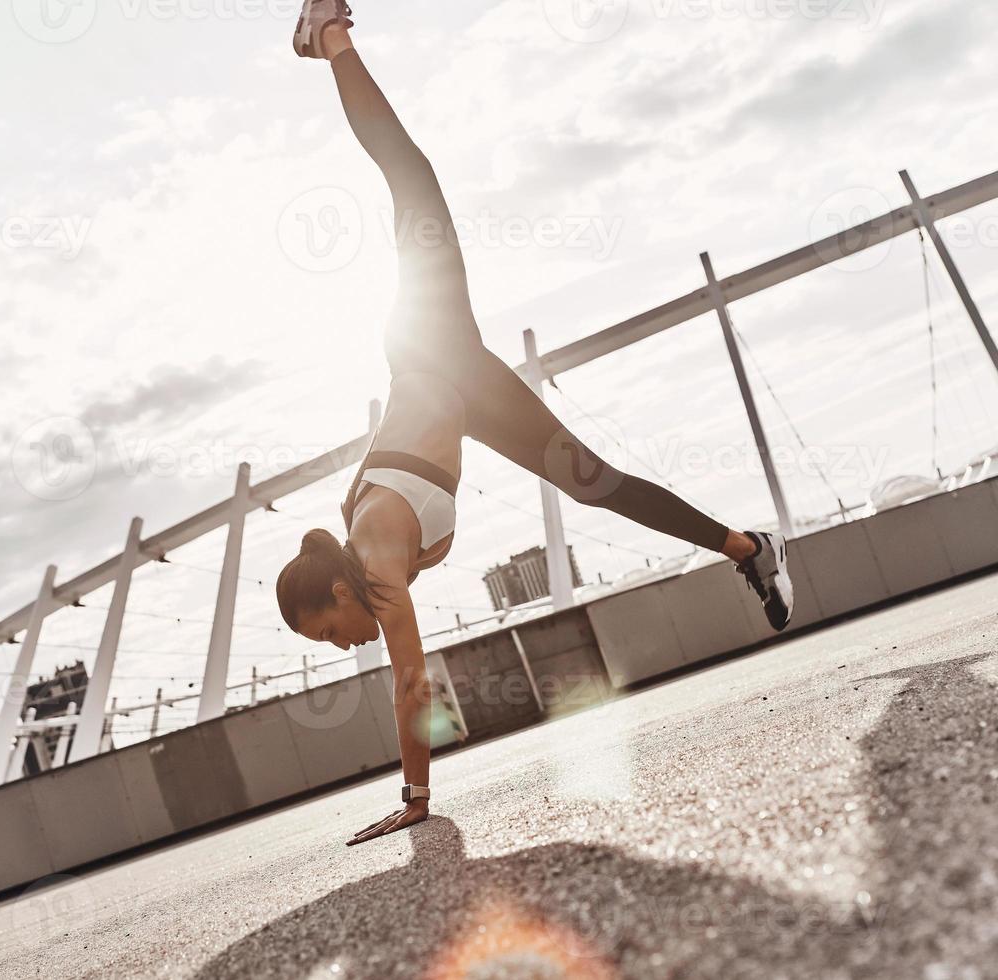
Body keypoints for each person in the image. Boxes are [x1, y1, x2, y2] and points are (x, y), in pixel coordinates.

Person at [276, 0, 793, 847]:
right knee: (598, 489)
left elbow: (410, 683)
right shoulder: (365, 558)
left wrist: (414, 799)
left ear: (339, 595)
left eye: (329, 635)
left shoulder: (374, 567)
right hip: (467, 388)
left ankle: (328, 32)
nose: (341, 648)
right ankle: (749, 549)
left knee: (409, 180)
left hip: (432, 344)